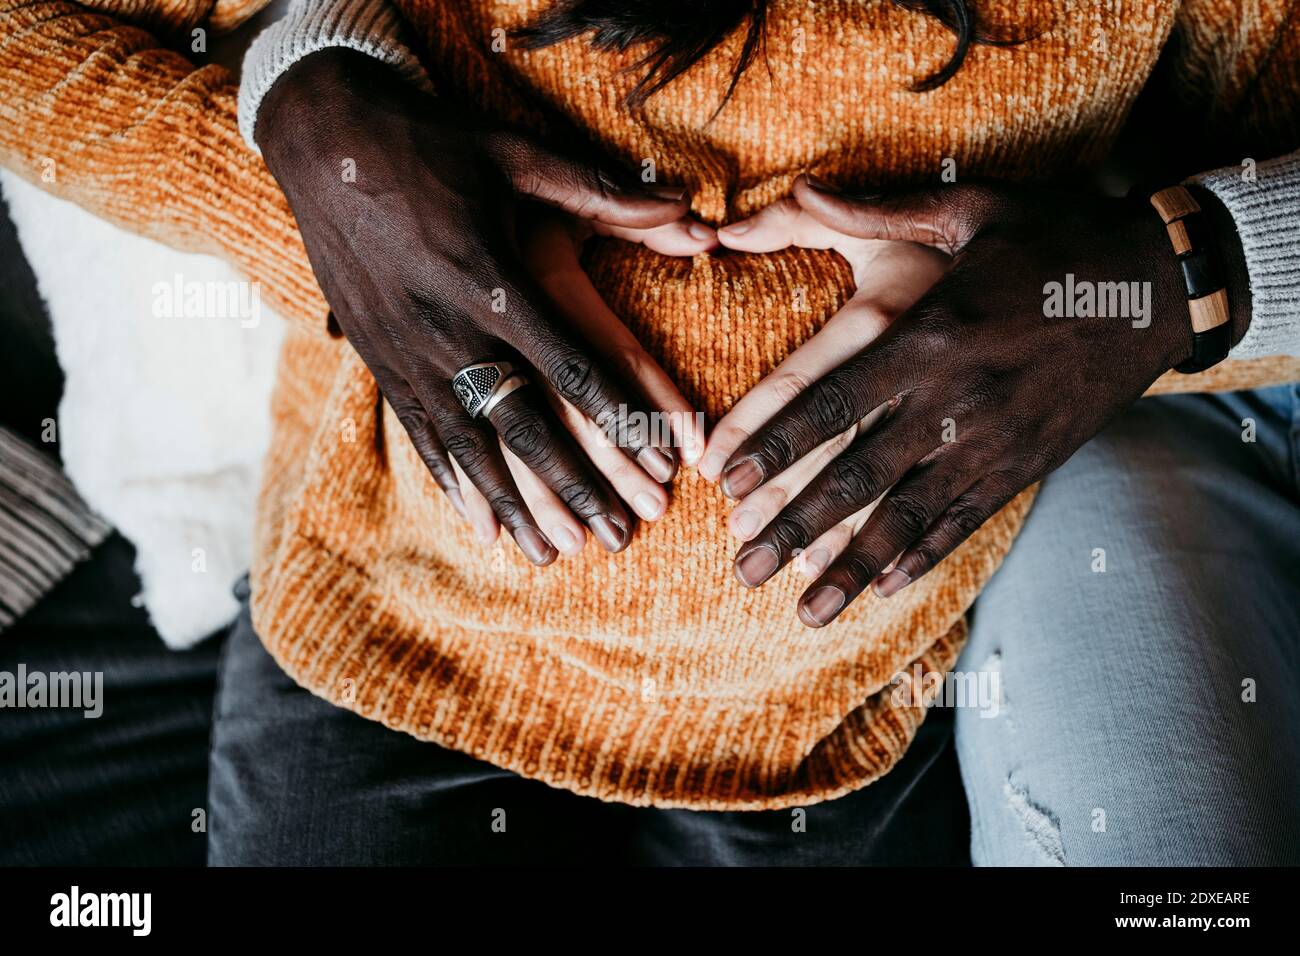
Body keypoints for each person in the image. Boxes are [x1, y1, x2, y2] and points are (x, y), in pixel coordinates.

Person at [3, 0, 1298, 864]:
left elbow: (1261, 145)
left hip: (828, 720)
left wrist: (1166, 282)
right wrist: (294, 151)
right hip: (381, 641)